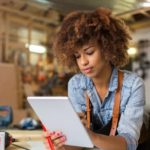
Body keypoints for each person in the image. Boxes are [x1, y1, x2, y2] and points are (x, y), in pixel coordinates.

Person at [47, 7, 145, 150]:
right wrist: (62, 143)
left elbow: (128, 144)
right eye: (77, 55)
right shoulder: (76, 84)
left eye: (89, 52)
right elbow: (78, 146)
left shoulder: (133, 85)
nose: (83, 62)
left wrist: (90, 135)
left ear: (107, 49)